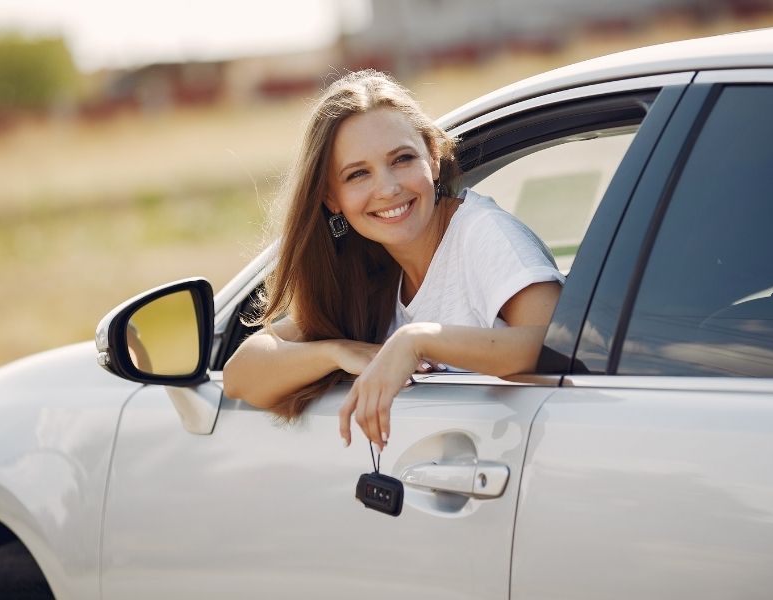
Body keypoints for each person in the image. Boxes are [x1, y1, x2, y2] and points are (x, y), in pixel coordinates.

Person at [223, 70, 563, 451]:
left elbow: (562, 348)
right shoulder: (368, 270)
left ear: (433, 159)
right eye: (357, 175)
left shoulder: (483, 234)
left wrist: (417, 341)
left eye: (402, 159)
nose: (387, 188)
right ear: (331, 198)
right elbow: (240, 375)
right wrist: (338, 351)